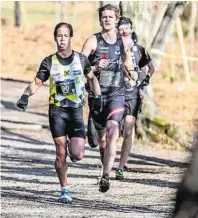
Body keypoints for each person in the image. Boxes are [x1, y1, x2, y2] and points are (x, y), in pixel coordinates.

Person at [16, 22, 101, 203]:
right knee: (60, 152)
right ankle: (64, 189)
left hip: (76, 111)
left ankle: (72, 145)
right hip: (57, 112)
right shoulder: (49, 62)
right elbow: (37, 82)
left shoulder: (81, 59)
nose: (62, 39)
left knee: (77, 154)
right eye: (59, 36)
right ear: (55, 38)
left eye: (65, 36)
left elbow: (92, 79)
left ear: (71, 37)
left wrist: (98, 97)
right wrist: (25, 96)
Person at [81, 4, 125, 192]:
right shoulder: (93, 41)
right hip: (97, 96)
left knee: (113, 133)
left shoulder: (125, 42)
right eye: (104, 16)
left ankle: (106, 176)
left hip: (117, 95)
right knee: (103, 141)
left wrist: (134, 76)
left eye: (110, 16)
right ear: (100, 19)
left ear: (116, 19)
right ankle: (103, 157)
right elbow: (78, 66)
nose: (107, 19)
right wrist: (96, 67)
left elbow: (133, 62)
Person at [115, 17, 155, 180]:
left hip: (132, 92)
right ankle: (108, 153)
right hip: (115, 91)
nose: (125, 31)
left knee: (129, 127)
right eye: (121, 28)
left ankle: (120, 167)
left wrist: (145, 79)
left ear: (131, 29)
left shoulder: (139, 49)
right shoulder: (112, 47)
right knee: (114, 129)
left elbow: (150, 67)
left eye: (128, 28)